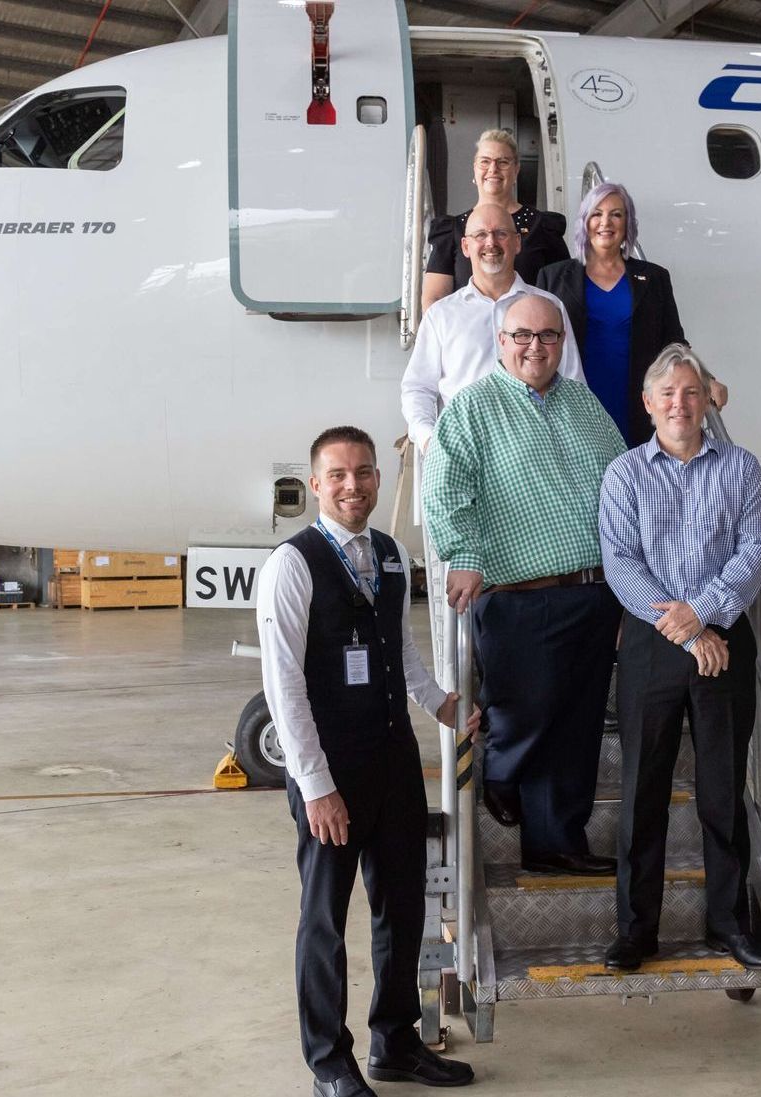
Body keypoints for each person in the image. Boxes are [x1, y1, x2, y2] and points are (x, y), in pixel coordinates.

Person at [257, 426, 475, 1096]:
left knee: (402, 906)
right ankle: (328, 1060)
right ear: (316, 484)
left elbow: (397, 646)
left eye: (366, 473)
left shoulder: (388, 554)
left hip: (393, 760)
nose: (354, 486)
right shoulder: (291, 566)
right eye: (339, 475)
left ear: (379, 479)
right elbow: (283, 684)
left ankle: (395, 1040)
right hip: (332, 771)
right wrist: (316, 785)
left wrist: (438, 701)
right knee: (325, 916)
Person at [424, 295, 627, 875]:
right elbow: (444, 489)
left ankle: (555, 843)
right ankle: (501, 774)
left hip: (592, 591)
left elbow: (622, 487)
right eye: (522, 336)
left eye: (548, 336)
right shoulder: (470, 409)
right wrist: (461, 556)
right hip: (518, 596)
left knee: (577, 728)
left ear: (562, 344)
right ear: (501, 340)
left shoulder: (584, 405)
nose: (535, 346)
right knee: (526, 711)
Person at [597, 346, 761, 973]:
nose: (680, 403)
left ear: (707, 401)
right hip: (654, 643)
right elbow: (621, 561)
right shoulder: (624, 474)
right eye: (667, 394)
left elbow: (755, 547)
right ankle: (636, 930)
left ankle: (730, 924)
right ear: (648, 405)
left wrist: (704, 613)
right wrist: (683, 628)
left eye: (691, 392)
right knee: (641, 792)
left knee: (723, 793)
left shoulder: (742, 468)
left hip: (723, 636)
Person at [536, 182, 726, 446]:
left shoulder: (654, 278)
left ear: (628, 224)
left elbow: (674, 342)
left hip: (635, 402)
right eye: (597, 214)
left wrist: (707, 379)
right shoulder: (552, 277)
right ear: (585, 221)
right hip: (573, 401)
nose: (606, 222)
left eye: (616, 214)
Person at [401, 202, 582, 450]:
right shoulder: (441, 315)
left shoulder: (550, 307)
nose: (491, 243)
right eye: (480, 235)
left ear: (517, 243)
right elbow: (418, 388)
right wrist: (428, 440)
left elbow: (574, 385)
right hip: (464, 450)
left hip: (536, 450)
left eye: (501, 233)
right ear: (465, 246)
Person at [420, 129, 567, 314]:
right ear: (475, 168)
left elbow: (563, 295)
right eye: (485, 161)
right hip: (469, 339)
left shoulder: (544, 228)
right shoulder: (451, 231)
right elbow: (434, 300)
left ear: (516, 170)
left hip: (528, 339)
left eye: (503, 162)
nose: (493, 169)